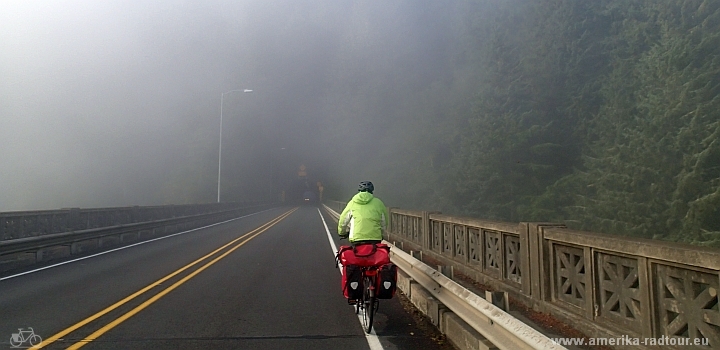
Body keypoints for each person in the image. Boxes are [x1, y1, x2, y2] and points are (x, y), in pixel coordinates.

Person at [337, 181, 389, 246]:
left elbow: (343, 220)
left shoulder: (352, 202)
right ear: (372, 191)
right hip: (375, 239)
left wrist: (342, 232)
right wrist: (381, 234)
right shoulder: (379, 203)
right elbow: (384, 222)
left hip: (356, 239)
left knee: (355, 254)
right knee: (375, 255)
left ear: (360, 190)